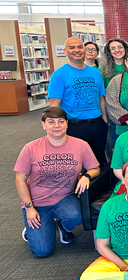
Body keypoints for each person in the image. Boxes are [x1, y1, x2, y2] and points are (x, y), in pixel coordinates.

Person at [14, 107, 100, 257]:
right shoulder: (30, 148)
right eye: (51, 122)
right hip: (37, 203)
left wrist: (87, 176)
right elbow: (20, 179)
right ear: (43, 125)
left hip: (64, 198)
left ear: (67, 124)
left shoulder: (80, 145)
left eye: (61, 121)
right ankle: (34, 228)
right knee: (42, 251)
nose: (57, 126)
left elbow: (95, 168)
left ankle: (62, 225)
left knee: (78, 216)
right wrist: (29, 209)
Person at [48, 37, 108, 165]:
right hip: (73, 126)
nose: (76, 50)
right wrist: (57, 128)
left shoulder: (95, 73)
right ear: (65, 51)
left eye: (80, 47)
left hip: (97, 125)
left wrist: (105, 121)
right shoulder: (59, 74)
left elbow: (100, 98)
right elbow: (54, 106)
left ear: (85, 50)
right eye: (72, 47)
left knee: (99, 162)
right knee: (75, 164)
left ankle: (97, 186)